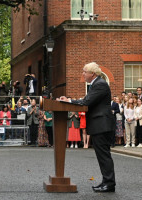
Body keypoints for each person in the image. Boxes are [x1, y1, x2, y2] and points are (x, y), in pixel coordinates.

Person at [57, 62, 115, 192]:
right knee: (102, 155)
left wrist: (69, 101)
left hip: (101, 124)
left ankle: (109, 183)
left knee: (104, 155)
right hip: (99, 124)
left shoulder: (100, 85)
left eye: (84, 71)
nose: (83, 74)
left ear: (92, 73)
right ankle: (106, 181)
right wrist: (69, 100)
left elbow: (86, 102)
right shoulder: (96, 84)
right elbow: (87, 100)